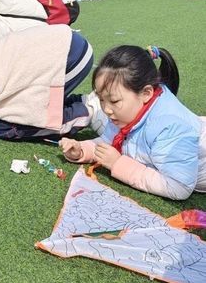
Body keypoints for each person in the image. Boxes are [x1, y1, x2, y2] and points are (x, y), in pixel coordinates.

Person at [60, 46, 205, 200]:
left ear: (146, 93)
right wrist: (82, 150)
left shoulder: (170, 128)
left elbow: (178, 187)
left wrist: (118, 163)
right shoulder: (125, 113)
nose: (106, 109)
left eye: (114, 100)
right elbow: (109, 141)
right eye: (101, 99)